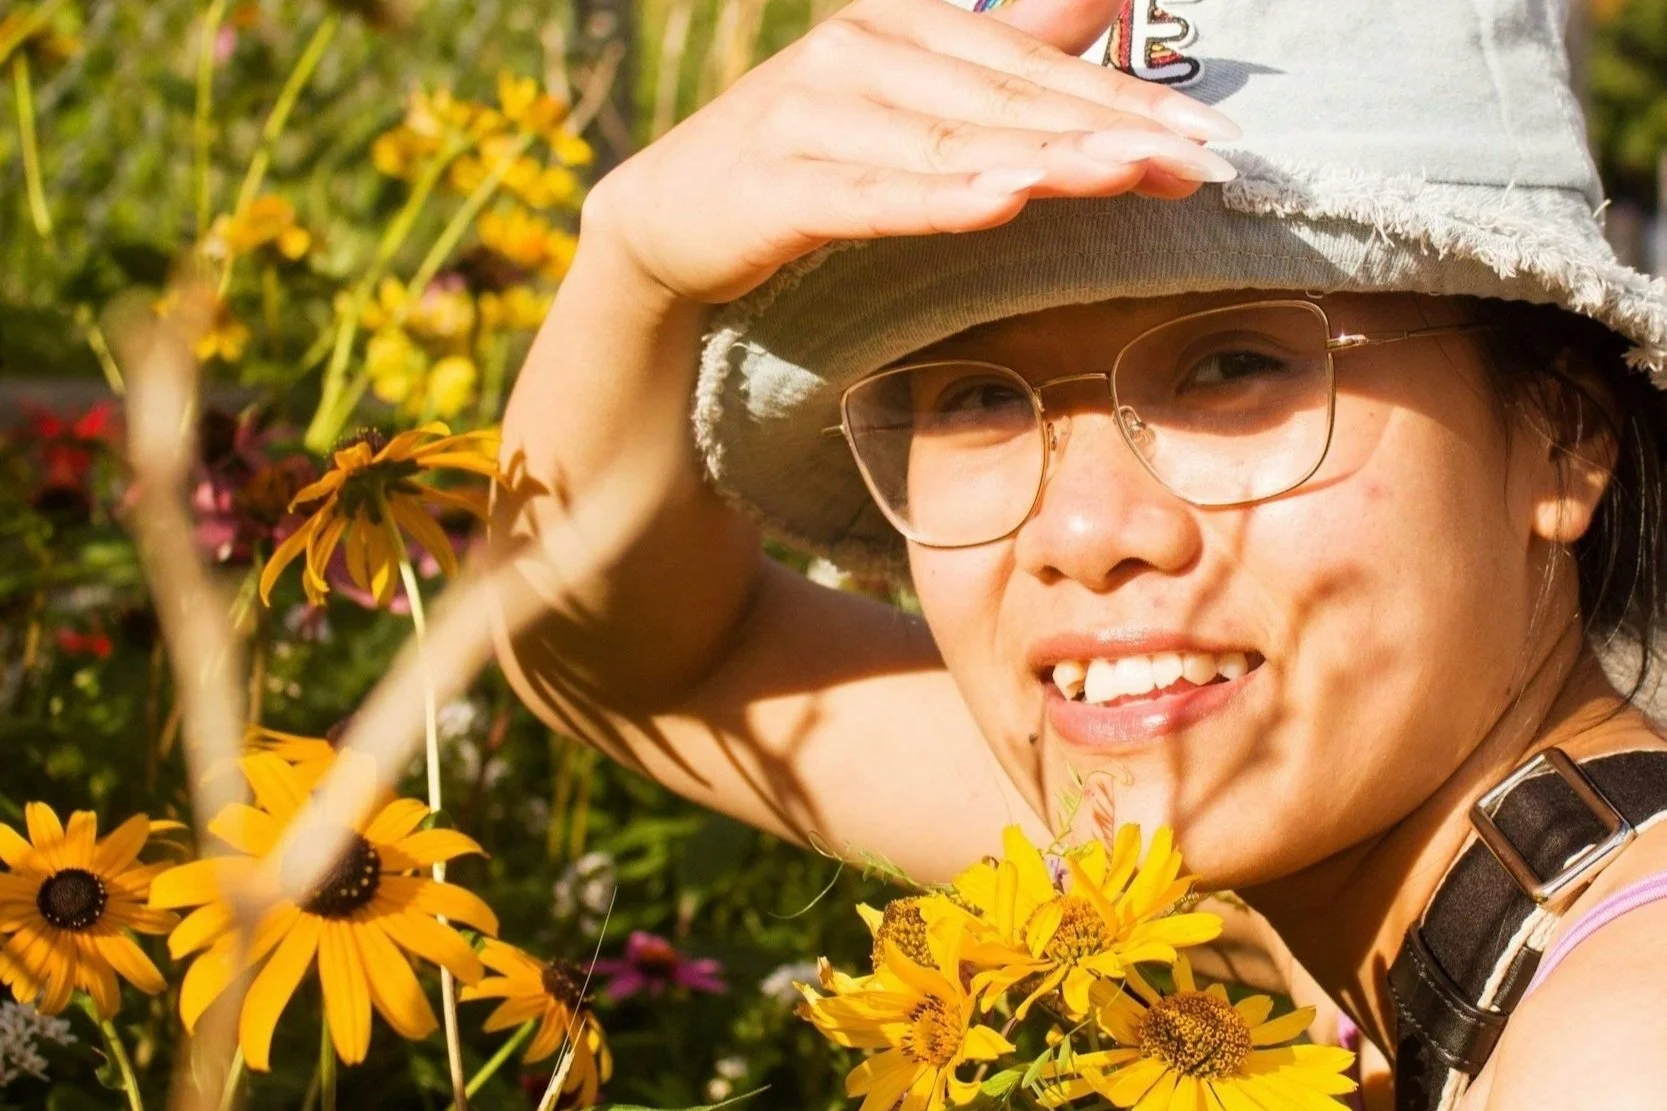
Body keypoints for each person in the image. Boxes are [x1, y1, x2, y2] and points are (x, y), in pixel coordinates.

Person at [488, 0, 1667, 1107]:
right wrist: (632, 261)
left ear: (1564, 439)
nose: (1084, 532)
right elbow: (644, 667)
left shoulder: (1619, 1042)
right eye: (972, 396)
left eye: (1231, 368)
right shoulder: (1337, 895)